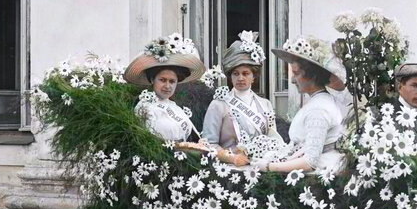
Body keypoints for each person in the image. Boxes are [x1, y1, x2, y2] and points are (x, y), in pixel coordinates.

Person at [125, 35, 249, 165]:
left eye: (172, 81)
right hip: (160, 162)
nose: (167, 86)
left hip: (184, 162)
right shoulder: (144, 106)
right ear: (152, 80)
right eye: (162, 80)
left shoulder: (175, 107)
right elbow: (145, 143)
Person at [257, 37, 348, 174]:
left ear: (312, 76)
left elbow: (310, 162)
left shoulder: (319, 109)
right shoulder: (318, 101)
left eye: (296, 73)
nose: (292, 80)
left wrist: (269, 167)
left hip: (316, 176)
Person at [202, 32, 286, 163]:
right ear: (230, 77)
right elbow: (208, 144)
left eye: (245, 73)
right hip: (230, 170)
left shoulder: (266, 104)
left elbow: (272, 139)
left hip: (260, 168)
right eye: (236, 74)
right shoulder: (219, 104)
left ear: (254, 76)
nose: (240, 78)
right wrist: (233, 158)